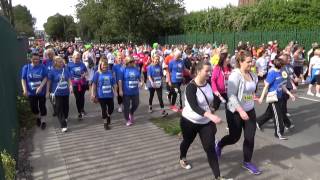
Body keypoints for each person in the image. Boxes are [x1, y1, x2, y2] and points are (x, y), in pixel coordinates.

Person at [179, 61, 232, 180]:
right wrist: (210, 115)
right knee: (187, 141)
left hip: (205, 123)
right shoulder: (191, 87)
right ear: (198, 71)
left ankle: (217, 176)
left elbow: (211, 98)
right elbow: (194, 106)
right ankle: (182, 157)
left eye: (210, 71)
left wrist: (212, 108)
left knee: (210, 148)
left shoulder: (208, 83)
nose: (209, 73)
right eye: (207, 71)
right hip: (189, 121)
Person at [215, 50, 261, 175]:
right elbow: (231, 95)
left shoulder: (252, 75)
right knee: (234, 137)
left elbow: (249, 92)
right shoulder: (235, 75)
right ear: (240, 62)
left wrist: (252, 97)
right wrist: (240, 110)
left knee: (250, 137)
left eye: (251, 61)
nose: (251, 64)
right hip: (235, 110)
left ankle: (247, 162)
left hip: (249, 110)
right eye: (248, 62)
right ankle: (219, 145)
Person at [256, 58, 296, 140]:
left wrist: (290, 94)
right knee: (278, 116)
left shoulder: (281, 72)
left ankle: (258, 122)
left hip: (280, 96)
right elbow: (266, 86)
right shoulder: (272, 73)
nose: (284, 66)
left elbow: (282, 85)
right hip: (274, 98)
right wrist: (261, 98)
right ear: (280, 65)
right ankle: (278, 133)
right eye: (283, 65)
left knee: (269, 114)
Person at [21, 53, 48, 129]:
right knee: (33, 107)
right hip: (31, 92)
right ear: (30, 59)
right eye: (34, 59)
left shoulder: (42, 67)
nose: (36, 60)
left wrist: (40, 87)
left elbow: (45, 78)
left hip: (41, 91)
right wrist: (25, 89)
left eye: (37, 59)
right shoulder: (26, 67)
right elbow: (23, 79)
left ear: (39, 59)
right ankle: (38, 117)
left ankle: (43, 121)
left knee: (42, 106)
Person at [47, 56, 72, 132]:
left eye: (62, 61)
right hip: (57, 93)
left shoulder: (65, 70)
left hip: (65, 92)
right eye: (60, 62)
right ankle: (63, 124)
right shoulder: (52, 71)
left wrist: (70, 86)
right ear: (55, 63)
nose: (62, 63)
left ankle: (65, 117)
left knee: (66, 107)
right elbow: (49, 82)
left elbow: (69, 79)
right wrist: (47, 91)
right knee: (58, 108)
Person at [91, 58, 116, 130]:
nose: (105, 67)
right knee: (103, 109)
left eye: (106, 66)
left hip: (110, 95)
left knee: (111, 108)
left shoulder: (110, 72)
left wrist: (115, 91)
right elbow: (94, 84)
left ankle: (108, 116)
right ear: (100, 66)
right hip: (101, 95)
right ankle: (105, 123)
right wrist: (93, 93)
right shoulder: (97, 73)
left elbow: (114, 83)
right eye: (103, 66)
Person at [118, 56, 143, 126]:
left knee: (136, 104)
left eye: (133, 61)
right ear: (127, 63)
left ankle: (131, 113)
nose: (133, 63)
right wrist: (120, 90)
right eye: (131, 62)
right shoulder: (123, 69)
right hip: (126, 91)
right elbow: (120, 80)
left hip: (135, 91)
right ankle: (127, 119)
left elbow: (140, 77)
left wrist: (141, 82)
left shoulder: (136, 69)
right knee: (126, 106)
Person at [68, 51, 88, 120]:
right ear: (73, 58)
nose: (77, 60)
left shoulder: (82, 64)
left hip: (83, 83)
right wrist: (70, 85)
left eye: (79, 58)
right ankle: (79, 112)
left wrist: (84, 75)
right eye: (76, 58)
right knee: (77, 98)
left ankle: (82, 109)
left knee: (82, 97)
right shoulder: (69, 65)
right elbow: (67, 75)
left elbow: (86, 71)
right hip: (74, 84)